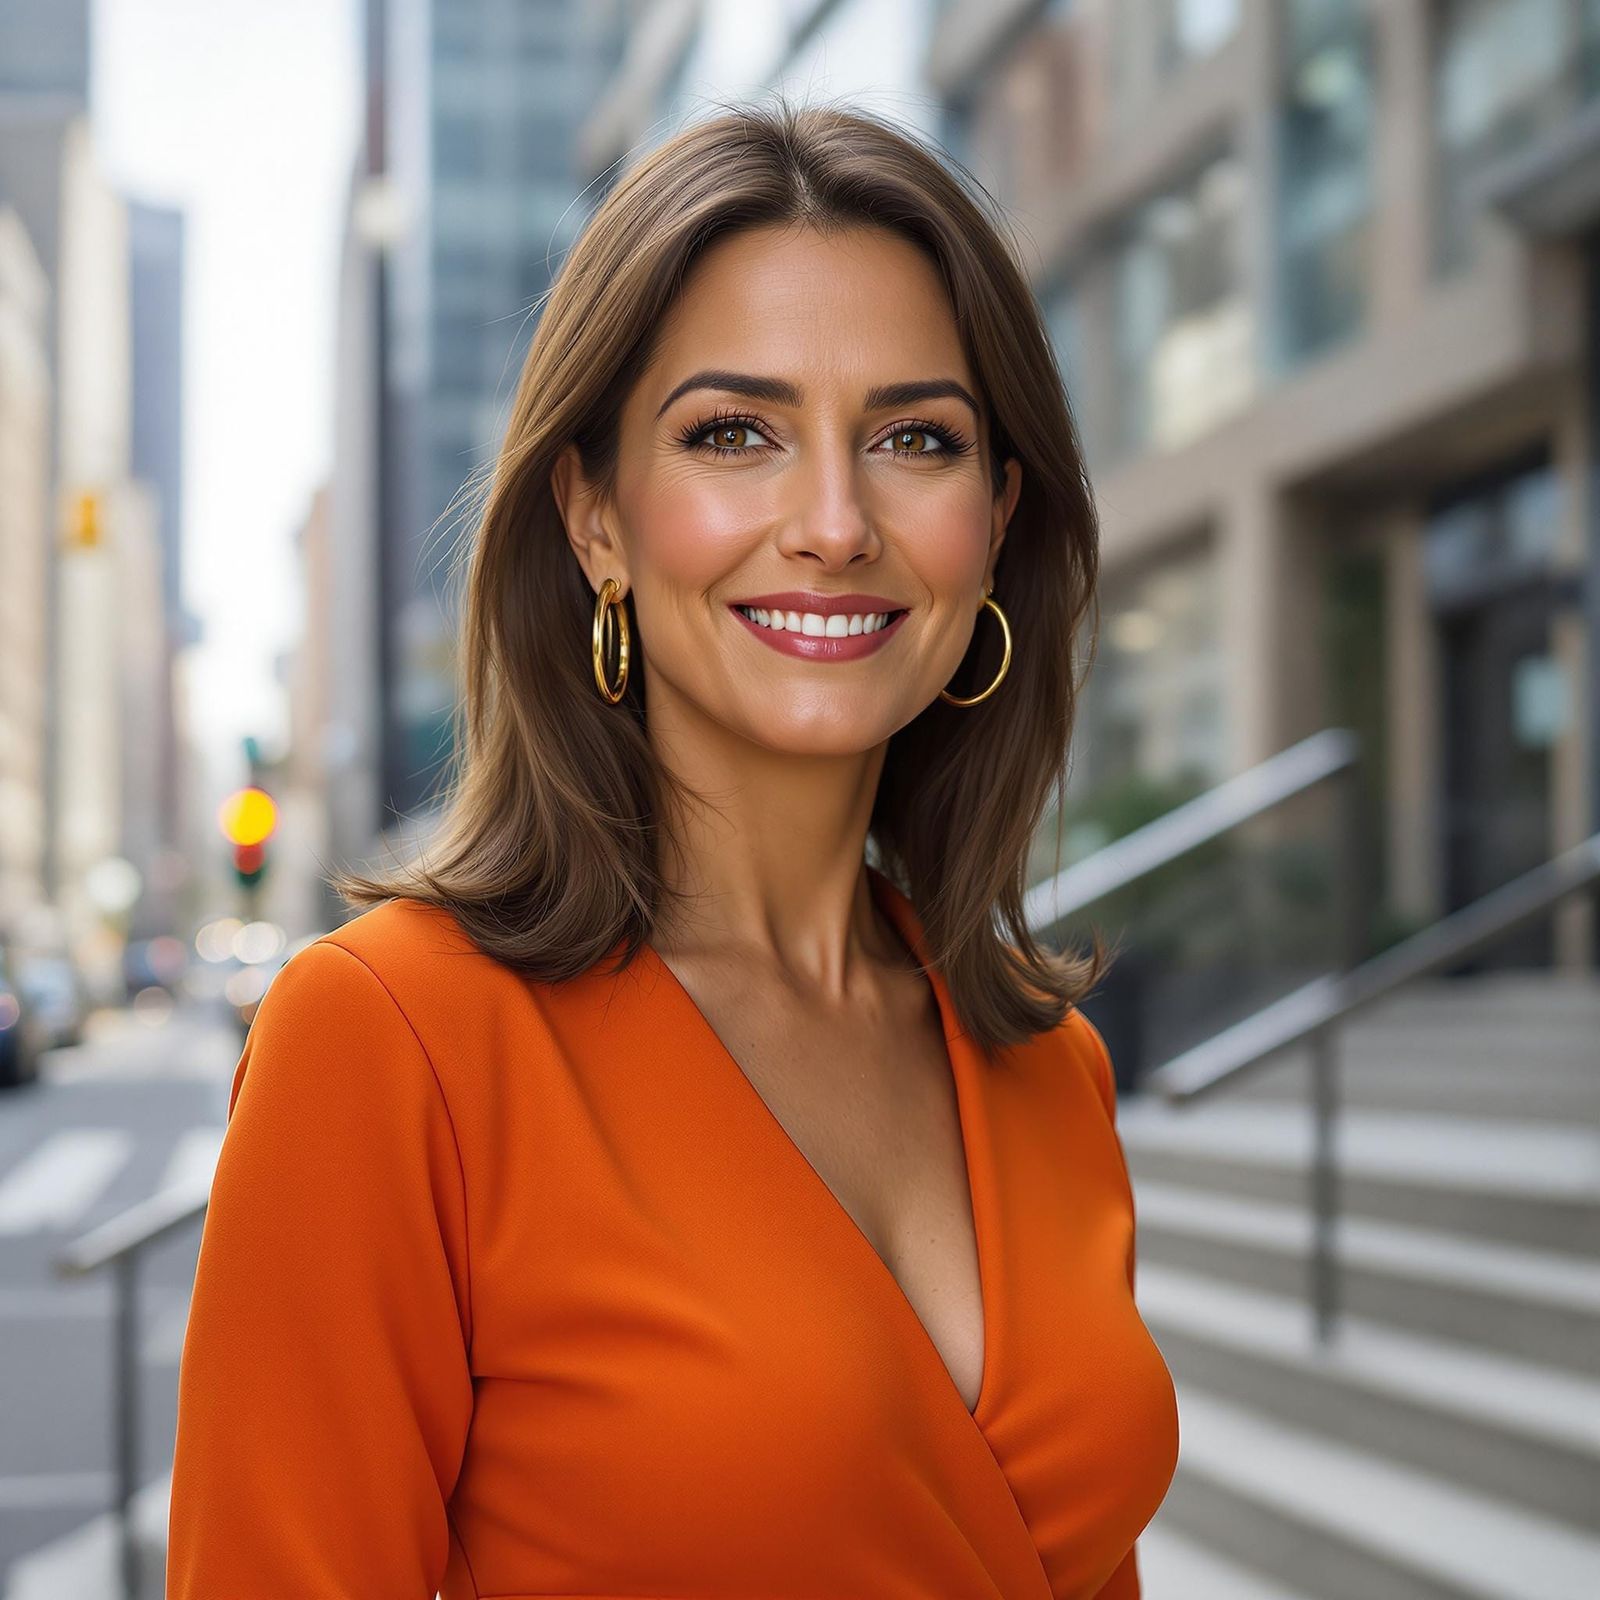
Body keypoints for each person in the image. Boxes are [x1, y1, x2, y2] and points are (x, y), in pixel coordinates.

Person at [166, 95, 1179, 1600]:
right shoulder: (393, 1042)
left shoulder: (1049, 1063)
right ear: (594, 520)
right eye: (735, 433)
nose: (835, 523)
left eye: (916, 438)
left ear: (997, 518)